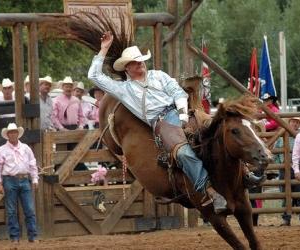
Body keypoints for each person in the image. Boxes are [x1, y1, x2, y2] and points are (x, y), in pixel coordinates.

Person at [88, 31, 231, 213]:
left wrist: (183, 116)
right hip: (162, 123)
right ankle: (210, 191)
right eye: (135, 62)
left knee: (218, 126)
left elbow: (177, 93)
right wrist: (104, 49)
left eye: (141, 60)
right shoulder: (123, 89)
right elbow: (94, 76)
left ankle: (245, 171)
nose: (140, 63)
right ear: (127, 69)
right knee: (183, 153)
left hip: (182, 111)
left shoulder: (159, 75)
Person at [0, 123, 39, 243]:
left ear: (17, 134)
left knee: (29, 209)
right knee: (11, 210)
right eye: (11, 132)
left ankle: (33, 236)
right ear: (7, 135)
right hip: (9, 180)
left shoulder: (26, 148)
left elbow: (32, 163)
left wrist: (35, 179)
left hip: (24, 179)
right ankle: (15, 237)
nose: (13, 134)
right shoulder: (1, 150)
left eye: (14, 132)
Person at [275, 117, 300, 226]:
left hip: (299, 168)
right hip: (284, 169)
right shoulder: (280, 138)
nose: (294, 124)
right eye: (293, 122)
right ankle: (286, 218)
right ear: (288, 123)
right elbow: (275, 153)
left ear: (299, 125)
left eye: (297, 122)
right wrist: (280, 164)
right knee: (285, 195)